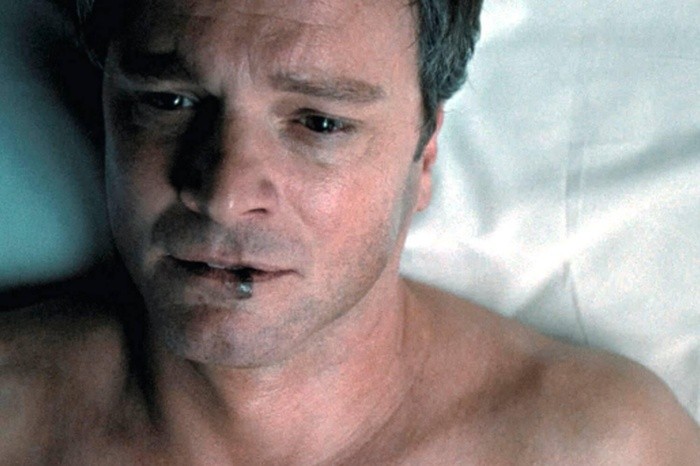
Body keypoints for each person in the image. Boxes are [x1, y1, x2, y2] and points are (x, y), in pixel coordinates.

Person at [1, 0, 699, 463]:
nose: (224, 196)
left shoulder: (598, 449)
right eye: (169, 101)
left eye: (320, 122)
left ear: (424, 156)